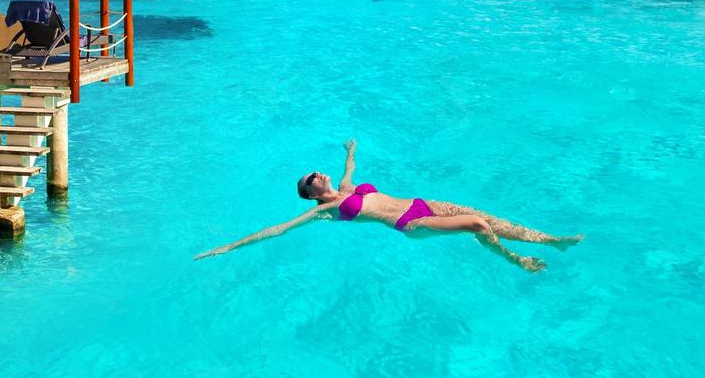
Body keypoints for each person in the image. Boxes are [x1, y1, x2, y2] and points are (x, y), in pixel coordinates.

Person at [195, 139, 581, 272]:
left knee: (488, 217)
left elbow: (351, 168)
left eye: (314, 172)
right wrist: (228, 246)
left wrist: (350, 150)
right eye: (311, 179)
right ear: (312, 193)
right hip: (410, 224)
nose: (316, 174)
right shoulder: (323, 211)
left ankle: (550, 241)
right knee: (477, 225)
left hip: (420, 202)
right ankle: (520, 263)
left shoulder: (345, 186)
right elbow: (278, 228)